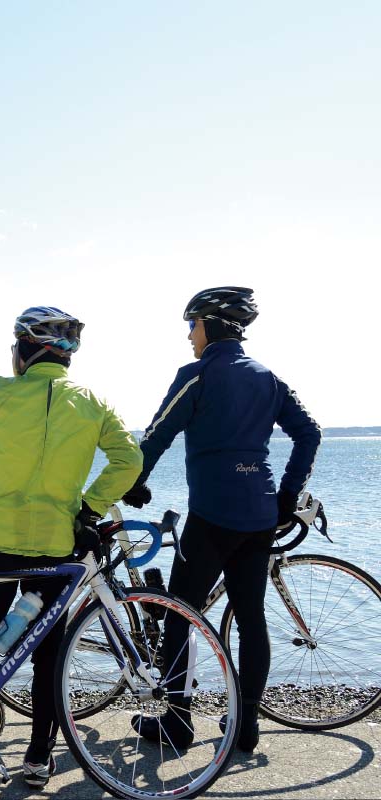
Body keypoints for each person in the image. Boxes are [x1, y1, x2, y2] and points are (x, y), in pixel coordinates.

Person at [0, 306, 142, 788]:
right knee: (48, 656)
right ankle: (37, 758)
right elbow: (129, 458)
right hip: (58, 545)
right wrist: (91, 507)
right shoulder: (94, 402)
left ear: (24, 350)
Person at [124, 286, 321, 753]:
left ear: (209, 325)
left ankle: (176, 723)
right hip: (259, 515)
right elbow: (309, 433)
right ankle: (245, 726)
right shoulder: (267, 378)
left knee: (179, 614)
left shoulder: (198, 374)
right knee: (251, 619)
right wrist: (287, 494)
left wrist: (134, 481)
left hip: (212, 516)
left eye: (192, 325)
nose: (189, 335)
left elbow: (156, 434)